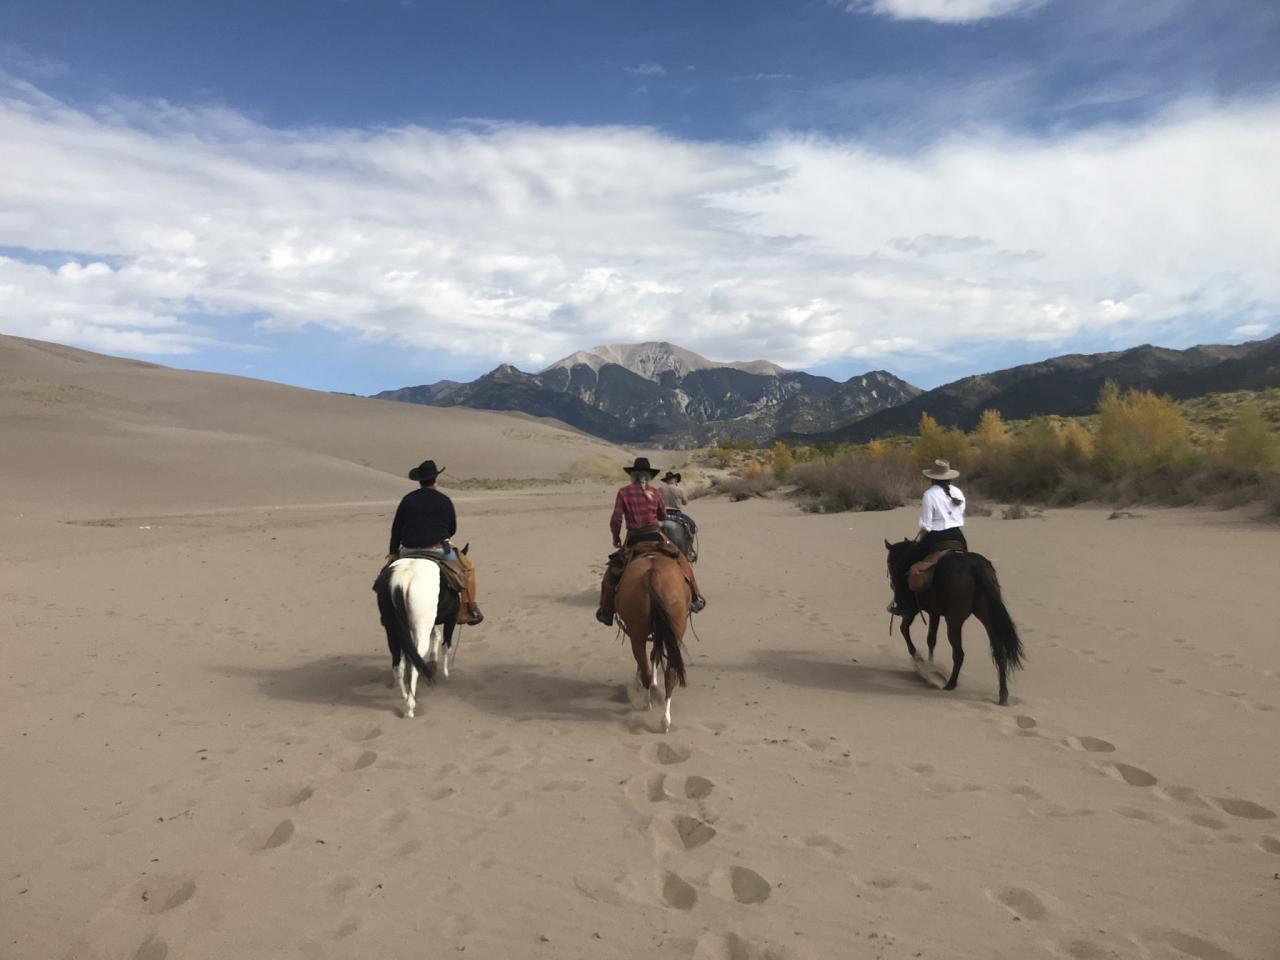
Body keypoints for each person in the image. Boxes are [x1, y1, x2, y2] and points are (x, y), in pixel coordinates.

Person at [596, 457, 706, 626]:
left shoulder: (623, 492)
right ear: (649, 476)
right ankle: (695, 598)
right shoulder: (655, 492)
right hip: (655, 535)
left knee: (612, 572)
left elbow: (616, 519)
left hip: (634, 537)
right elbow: (662, 516)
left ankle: (606, 611)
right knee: (682, 560)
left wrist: (616, 537)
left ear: (633, 475)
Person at [386, 459, 483, 625]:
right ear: (435, 479)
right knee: (468, 568)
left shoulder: (407, 500)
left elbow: (396, 529)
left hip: (407, 551)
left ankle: (387, 611)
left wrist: (393, 552)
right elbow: (452, 529)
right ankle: (467, 609)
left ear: (419, 481)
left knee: (386, 576)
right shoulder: (444, 500)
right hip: (437, 551)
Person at [886, 459, 968, 617]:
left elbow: (927, 525)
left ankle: (901, 604)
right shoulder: (958, 492)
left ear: (932, 478)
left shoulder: (930, 494)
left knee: (900, 566)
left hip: (936, 537)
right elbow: (959, 516)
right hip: (958, 536)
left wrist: (918, 541)